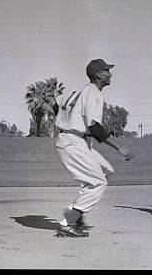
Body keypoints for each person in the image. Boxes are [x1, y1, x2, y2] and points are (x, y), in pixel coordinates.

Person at [53, 59, 133, 237]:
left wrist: (67, 121)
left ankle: (74, 212)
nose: (110, 74)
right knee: (98, 182)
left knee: (106, 170)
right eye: (107, 70)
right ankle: (69, 222)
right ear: (98, 75)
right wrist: (118, 148)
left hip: (76, 140)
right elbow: (95, 126)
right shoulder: (94, 93)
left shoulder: (77, 89)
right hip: (72, 142)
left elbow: (56, 104)